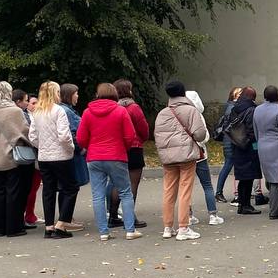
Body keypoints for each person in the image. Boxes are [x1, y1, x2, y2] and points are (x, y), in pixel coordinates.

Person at [77, 82, 142, 240]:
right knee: (125, 193)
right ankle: (130, 230)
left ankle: (104, 232)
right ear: (115, 95)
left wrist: (90, 147)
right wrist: (123, 148)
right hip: (116, 156)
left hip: (94, 157)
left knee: (97, 195)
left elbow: (80, 138)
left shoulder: (87, 112)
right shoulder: (120, 111)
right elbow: (130, 135)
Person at [153, 80, 209, 240]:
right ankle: (183, 227)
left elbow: (157, 135)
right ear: (183, 92)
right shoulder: (191, 110)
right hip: (186, 155)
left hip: (168, 157)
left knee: (168, 191)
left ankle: (167, 227)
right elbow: (200, 134)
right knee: (185, 191)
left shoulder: (162, 113)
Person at [30, 81, 79, 239]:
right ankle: (61, 223)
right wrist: (70, 148)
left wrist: (42, 146)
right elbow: (64, 135)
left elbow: (32, 136)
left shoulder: (37, 112)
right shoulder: (58, 111)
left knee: (48, 190)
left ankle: (49, 226)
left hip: (44, 156)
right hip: (61, 156)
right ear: (54, 93)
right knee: (71, 188)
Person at [0, 81, 32, 238]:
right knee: (14, 192)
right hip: (12, 156)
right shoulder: (14, 111)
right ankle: (13, 227)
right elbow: (24, 132)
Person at [111, 79, 149, 229]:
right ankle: (130, 216)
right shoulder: (134, 108)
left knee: (117, 183)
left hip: (117, 148)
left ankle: (113, 215)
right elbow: (143, 128)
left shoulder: (113, 108)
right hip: (134, 147)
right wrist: (141, 139)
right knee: (133, 183)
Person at [252, 85, 278, 219]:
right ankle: (274, 210)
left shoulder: (257, 109)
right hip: (277, 147)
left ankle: (274, 206)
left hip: (263, 145)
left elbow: (255, 130)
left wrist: (259, 144)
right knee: (277, 180)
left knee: (270, 176)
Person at [185, 90, 225, 226]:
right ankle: (213, 215)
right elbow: (205, 137)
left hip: (184, 155)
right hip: (200, 154)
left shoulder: (179, 114)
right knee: (207, 184)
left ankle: (189, 216)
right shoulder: (198, 115)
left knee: (186, 187)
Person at [227, 87, 263, 215]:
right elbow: (252, 130)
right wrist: (255, 143)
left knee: (242, 177)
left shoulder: (234, 108)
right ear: (253, 97)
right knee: (249, 177)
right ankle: (246, 205)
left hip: (237, 144)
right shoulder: (251, 110)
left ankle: (241, 204)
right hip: (248, 146)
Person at [58, 83, 87, 231]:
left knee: (66, 187)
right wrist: (81, 148)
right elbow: (72, 133)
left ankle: (66, 217)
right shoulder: (66, 111)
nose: (77, 96)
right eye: (76, 93)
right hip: (72, 154)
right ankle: (65, 219)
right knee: (70, 187)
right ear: (69, 95)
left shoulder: (66, 110)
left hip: (69, 153)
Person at [14, 89, 41, 227]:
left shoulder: (33, 116)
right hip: (31, 154)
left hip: (33, 154)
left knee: (33, 187)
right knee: (30, 187)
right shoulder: (25, 116)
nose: (36, 105)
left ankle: (30, 214)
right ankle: (27, 215)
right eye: (32, 103)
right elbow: (30, 135)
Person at [213, 88, 242, 202]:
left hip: (229, 140)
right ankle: (219, 192)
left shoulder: (230, 106)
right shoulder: (232, 108)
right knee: (228, 166)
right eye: (239, 93)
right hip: (230, 141)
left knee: (229, 165)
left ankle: (228, 192)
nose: (241, 95)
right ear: (234, 95)